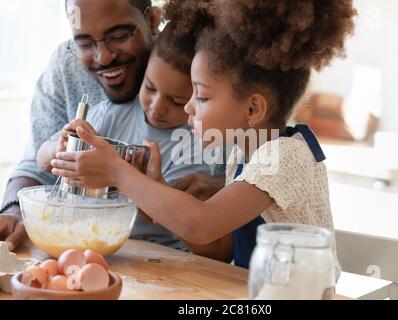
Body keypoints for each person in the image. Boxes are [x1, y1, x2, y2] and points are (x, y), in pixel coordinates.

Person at [51, 0, 357, 267]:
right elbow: (219, 250)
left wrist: (119, 173)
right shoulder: (243, 152)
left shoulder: (284, 158)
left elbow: (202, 225)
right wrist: (157, 188)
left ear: (253, 109)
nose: (188, 109)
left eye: (201, 96)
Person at [0, 0, 223, 252]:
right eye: (84, 43)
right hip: (95, 247)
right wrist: (14, 211)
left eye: (118, 35)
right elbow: (37, 162)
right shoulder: (90, 94)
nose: (103, 56)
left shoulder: (201, 86)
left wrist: (224, 183)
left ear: (151, 22)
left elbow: (212, 236)